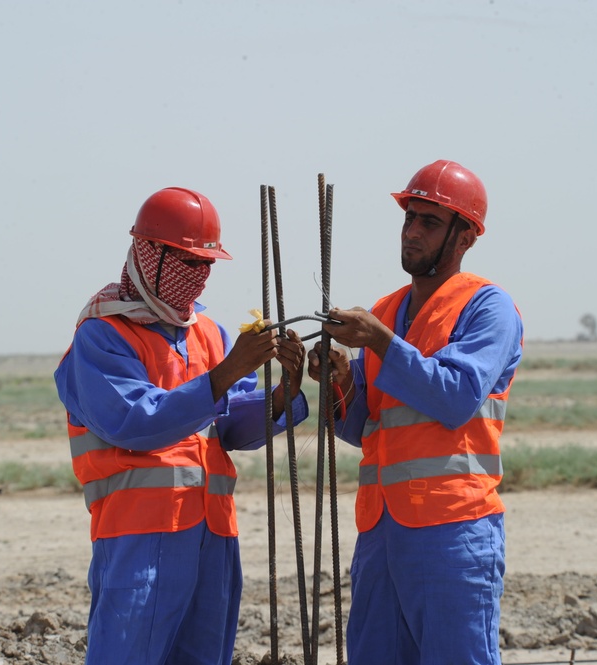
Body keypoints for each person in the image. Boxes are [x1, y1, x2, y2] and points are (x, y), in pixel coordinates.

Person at [54, 186, 308, 665]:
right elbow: (135, 421)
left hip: (213, 534)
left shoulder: (209, 334)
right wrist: (227, 372)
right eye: (189, 263)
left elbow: (230, 427)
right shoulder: (104, 335)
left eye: (208, 265)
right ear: (149, 255)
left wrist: (283, 393)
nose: (201, 278)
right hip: (139, 537)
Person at [307, 160, 523, 665]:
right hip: (381, 530)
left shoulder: (488, 308)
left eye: (429, 222)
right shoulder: (385, 311)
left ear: (464, 236)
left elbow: (455, 398)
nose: (412, 233)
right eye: (409, 219)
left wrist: (378, 341)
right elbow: (366, 425)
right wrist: (338, 379)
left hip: (452, 530)